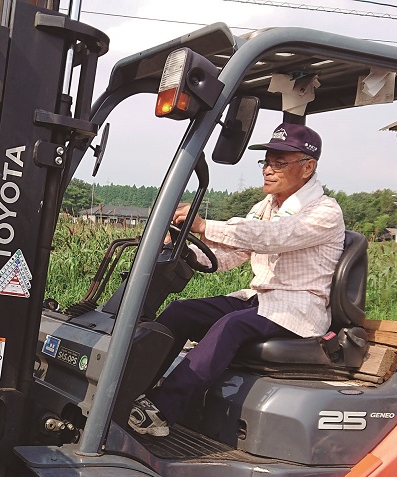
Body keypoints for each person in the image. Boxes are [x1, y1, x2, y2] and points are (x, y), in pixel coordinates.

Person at [128, 123, 345, 437]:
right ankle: (130, 390)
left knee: (231, 325)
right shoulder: (264, 208)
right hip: (263, 301)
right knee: (180, 313)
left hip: (298, 308)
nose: (268, 170)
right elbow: (229, 255)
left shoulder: (323, 212)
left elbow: (271, 238)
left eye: (279, 163)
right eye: (266, 162)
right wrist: (183, 251)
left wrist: (204, 225)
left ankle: (161, 411)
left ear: (308, 167)